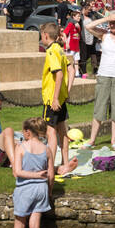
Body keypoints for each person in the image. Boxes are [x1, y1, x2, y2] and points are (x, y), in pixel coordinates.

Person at [86, 11, 115, 150]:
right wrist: (106, 18)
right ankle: (92, 140)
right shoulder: (105, 35)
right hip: (104, 75)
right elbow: (88, 26)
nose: (112, 25)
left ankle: (114, 140)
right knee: (99, 108)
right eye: (110, 23)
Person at [12, 116, 54, 228]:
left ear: (27, 132)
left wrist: (35, 175)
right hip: (41, 189)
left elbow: (18, 172)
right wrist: (50, 191)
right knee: (35, 226)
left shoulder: (21, 147)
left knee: (19, 224)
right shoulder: (47, 149)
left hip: (25, 189)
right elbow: (51, 175)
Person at [39, 22, 74, 172]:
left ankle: (50, 166)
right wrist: (67, 91)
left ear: (46, 35)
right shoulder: (60, 49)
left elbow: (59, 74)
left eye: (41, 35)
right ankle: (65, 163)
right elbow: (71, 69)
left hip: (52, 99)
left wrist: (54, 98)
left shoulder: (52, 51)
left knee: (50, 132)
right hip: (60, 97)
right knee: (62, 130)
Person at [62, 9, 83, 77]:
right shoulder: (70, 24)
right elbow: (64, 33)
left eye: (79, 16)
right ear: (73, 17)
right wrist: (66, 43)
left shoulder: (78, 26)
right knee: (69, 61)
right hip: (70, 47)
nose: (79, 18)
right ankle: (68, 74)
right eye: (77, 16)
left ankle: (77, 73)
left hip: (76, 47)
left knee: (76, 61)